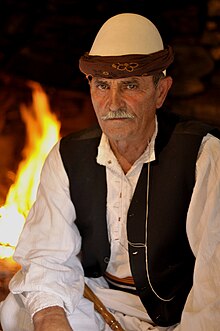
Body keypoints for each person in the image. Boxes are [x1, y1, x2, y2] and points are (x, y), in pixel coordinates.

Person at [0, 12, 220, 331]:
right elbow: (48, 256)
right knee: (17, 311)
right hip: (102, 305)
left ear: (161, 91)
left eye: (130, 85)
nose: (113, 102)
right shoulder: (67, 155)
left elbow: (214, 284)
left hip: (180, 314)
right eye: (103, 85)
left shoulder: (203, 155)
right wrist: (52, 319)